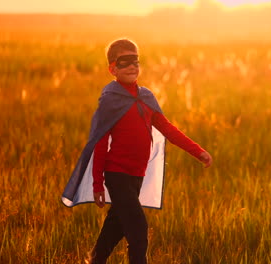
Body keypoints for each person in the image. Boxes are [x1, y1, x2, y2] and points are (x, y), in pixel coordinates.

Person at [88, 38, 213, 264]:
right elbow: (99, 142)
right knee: (138, 231)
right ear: (112, 68)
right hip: (117, 174)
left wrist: (198, 151)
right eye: (125, 62)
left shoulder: (145, 97)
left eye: (136, 61)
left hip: (138, 174)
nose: (132, 66)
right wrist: (98, 183)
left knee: (116, 223)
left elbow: (168, 129)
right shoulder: (110, 100)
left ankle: (95, 259)